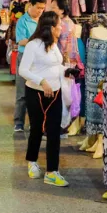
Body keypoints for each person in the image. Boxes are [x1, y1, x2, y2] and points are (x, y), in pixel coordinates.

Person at [19, 11, 73, 187]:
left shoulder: (54, 44)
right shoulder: (33, 46)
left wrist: (67, 71)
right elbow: (23, 70)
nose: (61, 27)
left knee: (53, 132)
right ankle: (32, 161)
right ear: (50, 27)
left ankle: (52, 171)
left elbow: (55, 66)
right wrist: (42, 82)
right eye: (58, 24)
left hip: (55, 93)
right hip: (36, 93)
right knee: (36, 128)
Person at [13, 0, 46, 132]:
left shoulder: (44, 19)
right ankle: (19, 122)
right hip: (25, 57)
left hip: (40, 59)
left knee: (37, 91)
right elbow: (21, 41)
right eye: (38, 7)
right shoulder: (22, 21)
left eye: (42, 8)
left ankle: (35, 121)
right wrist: (38, 39)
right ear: (30, 5)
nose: (40, 11)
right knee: (22, 91)